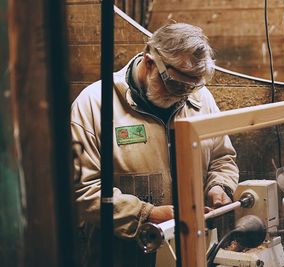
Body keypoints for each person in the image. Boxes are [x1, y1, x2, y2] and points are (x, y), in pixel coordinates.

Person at [71, 23, 239, 266]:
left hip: (193, 247)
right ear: (150, 62)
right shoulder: (94, 105)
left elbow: (222, 157)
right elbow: (84, 190)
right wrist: (147, 215)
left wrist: (219, 187)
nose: (183, 94)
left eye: (191, 85)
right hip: (122, 254)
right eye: (175, 84)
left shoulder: (199, 98)